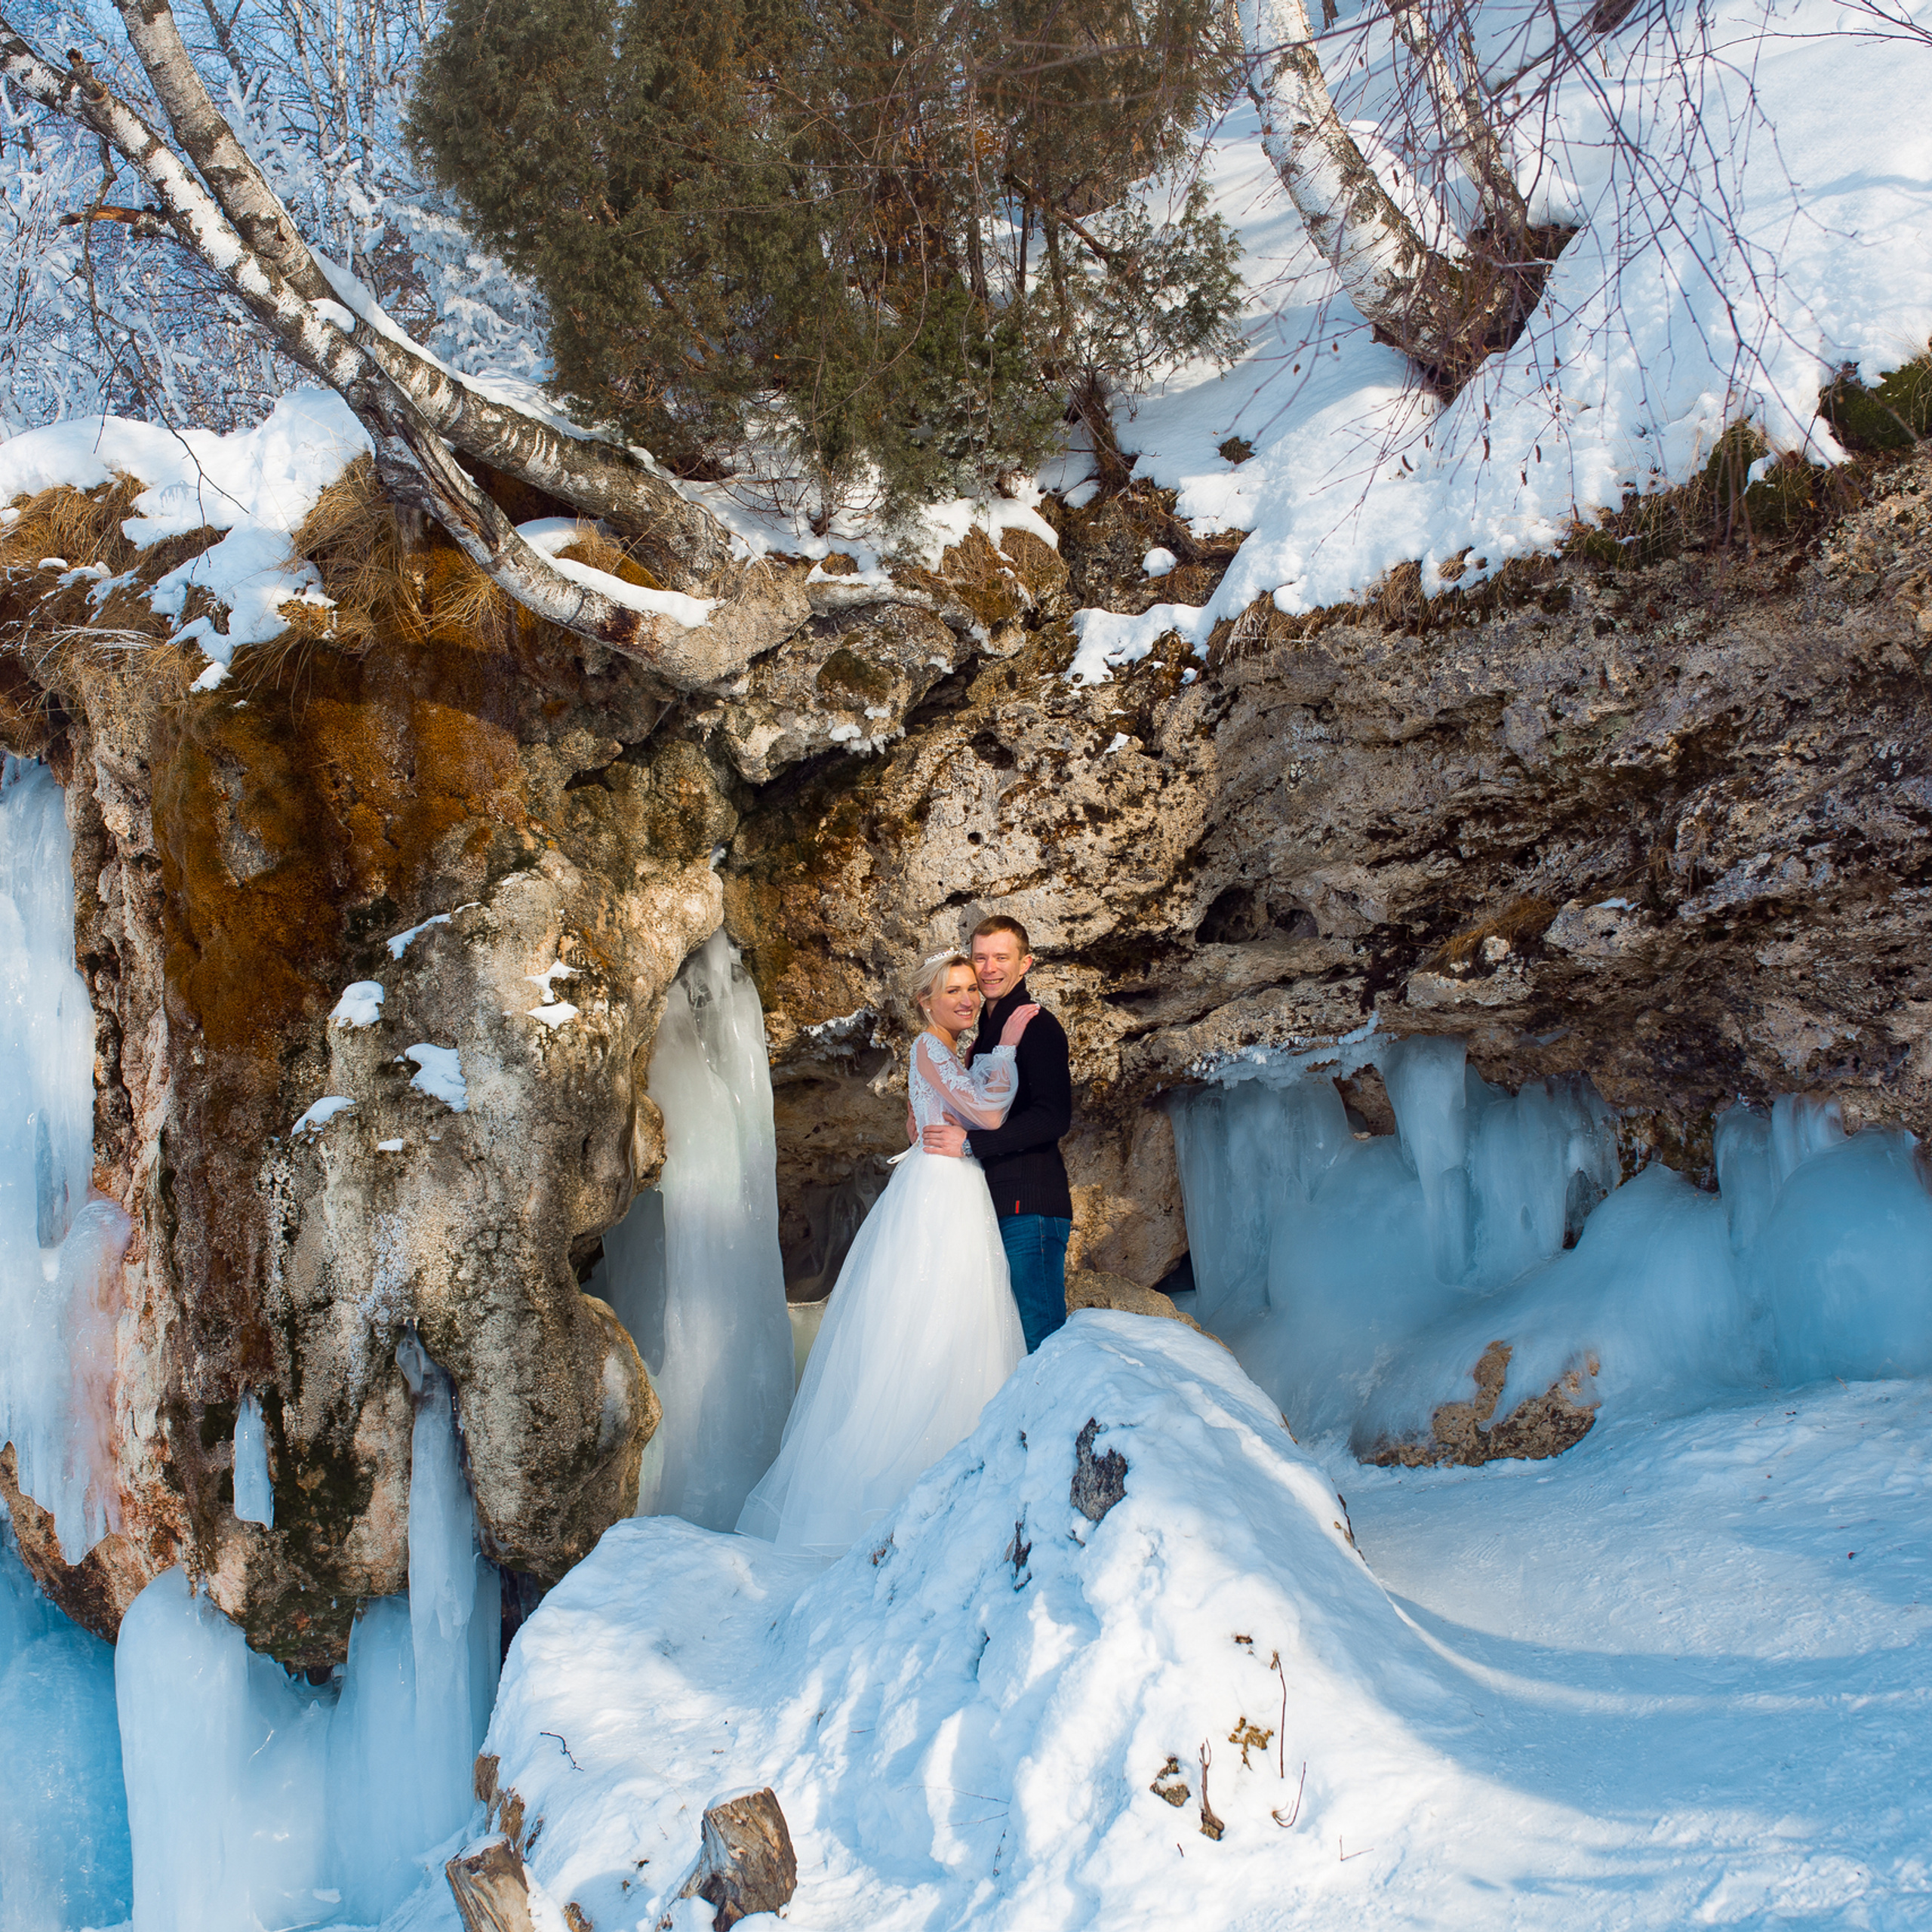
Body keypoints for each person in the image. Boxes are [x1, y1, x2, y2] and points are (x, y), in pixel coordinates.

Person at [735, 953, 1037, 1557]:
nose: (967, 999)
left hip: (947, 1182)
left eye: (972, 989)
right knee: (930, 1324)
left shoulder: (941, 1053)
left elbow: (926, 1118)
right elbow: (987, 1111)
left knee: (953, 1322)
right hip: (940, 1192)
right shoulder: (930, 1047)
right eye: (952, 990)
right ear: (925, 1001)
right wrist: (1006, 1044)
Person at [921, 915, 1073, 1353]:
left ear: (1024, 964)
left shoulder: (1037, 1025)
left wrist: (970, 1143)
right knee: (1001, 1344)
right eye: (980, 957)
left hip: (1030, 1203)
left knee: (1040, 1338)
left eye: (1001, 958)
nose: (988, 968)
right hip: (994, 1203)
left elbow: (1052, 1118)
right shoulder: (984, 1037)